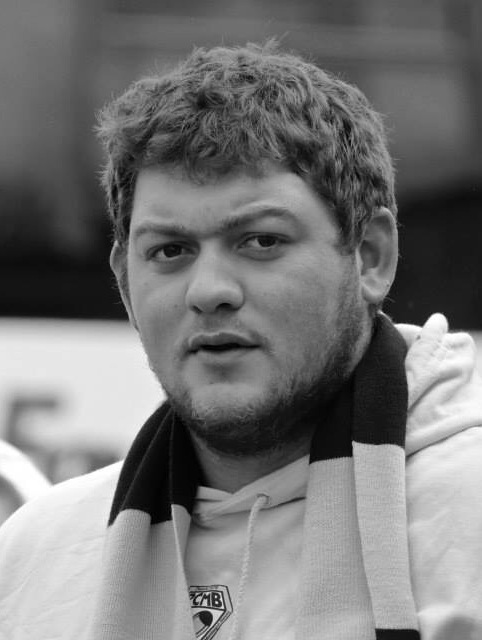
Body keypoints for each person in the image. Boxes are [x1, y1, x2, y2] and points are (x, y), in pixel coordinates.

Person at [0, 42, 481, 640]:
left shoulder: (466, 512)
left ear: (371, 257)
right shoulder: (33, 557)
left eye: (261, 241)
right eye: (170, 251)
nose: (209, 291)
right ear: (124, 283)